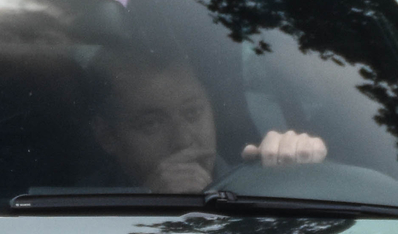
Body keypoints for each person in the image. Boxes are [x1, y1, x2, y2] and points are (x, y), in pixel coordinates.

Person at [87, 53, 324, 196]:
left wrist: (300, 168)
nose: (183, 140)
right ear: (107, 136)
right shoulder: (76, 206)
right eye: (151, 124)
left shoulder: (260, 181)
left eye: (193, 113)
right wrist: (149, 201)